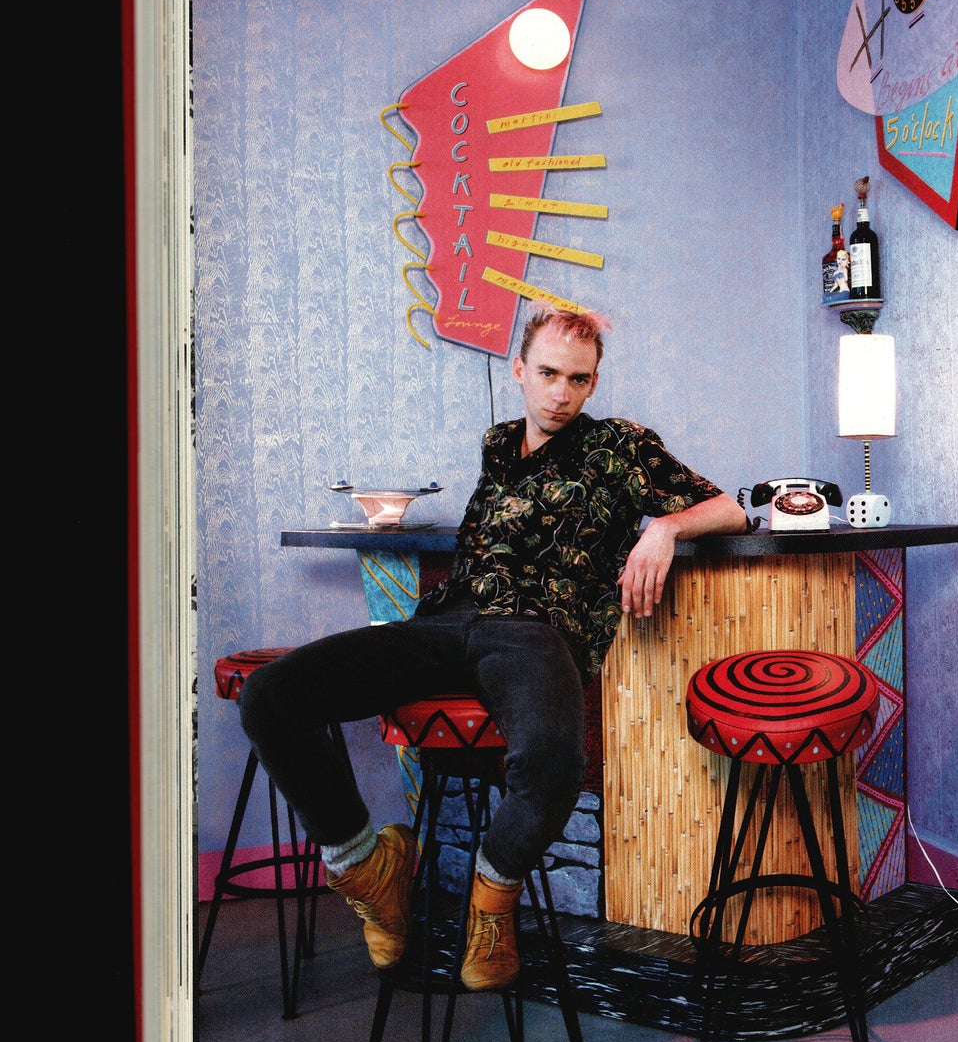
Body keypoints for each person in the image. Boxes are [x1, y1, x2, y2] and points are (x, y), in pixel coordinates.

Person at [239, 306, 747, 990]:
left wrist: (663, 529)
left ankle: (492, 898)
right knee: (271, 696)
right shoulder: (499, 444)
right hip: (446, 620)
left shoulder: (619, 446)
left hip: (534, 632)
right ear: (519, 370)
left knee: (552, 762)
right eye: (547, 373)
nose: (560, 393)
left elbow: (731, 509)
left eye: (577, 379)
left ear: (594, 383)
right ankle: (366, 866)